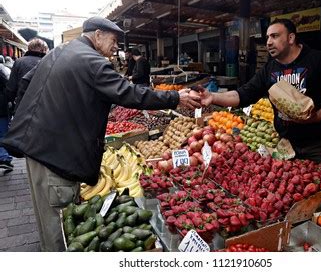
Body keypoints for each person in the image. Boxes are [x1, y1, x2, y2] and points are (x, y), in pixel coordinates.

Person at [0, 16, 201, 251]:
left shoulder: (61, 52)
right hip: (55, 156)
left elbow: (26, 81)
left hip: (38, 148)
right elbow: (130, 94)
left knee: (47, 219)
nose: (116, 47)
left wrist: (37, 120)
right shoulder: (92, 61)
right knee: (59, 225)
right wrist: (176, 97)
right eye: (114, 40)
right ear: (97, 35)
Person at [200, 19, 321, 167]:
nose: (269, 42)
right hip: (287, 145)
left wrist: (317, 117)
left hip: (320, 146)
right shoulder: (269, 69)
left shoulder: (320, 61)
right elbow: (243, 94)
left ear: (291, 38)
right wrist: (213, 96)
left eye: (275, 36)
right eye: (268, 37)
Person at [6, 38, 48, 113]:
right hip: (44, 107)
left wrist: (12, 102)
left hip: (23, 107)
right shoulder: (49, 62)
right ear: (43, 49)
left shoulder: (19, 62)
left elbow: (11, 87)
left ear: (29, 49)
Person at [0, 61, 13, 172]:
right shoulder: (1, 69)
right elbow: (8, 85)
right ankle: (4, 158)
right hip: (1, 107)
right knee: (3, 132)